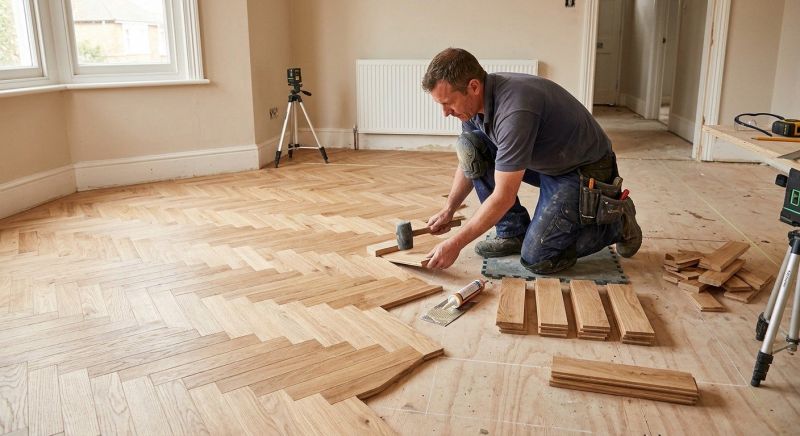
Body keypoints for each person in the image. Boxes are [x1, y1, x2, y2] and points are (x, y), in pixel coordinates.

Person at [421, 47, 642, 273]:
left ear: (474, 87)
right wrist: (449, 209)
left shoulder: (514, 111)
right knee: (472, 146)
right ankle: (512, 231)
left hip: (583, 170)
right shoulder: (473, 106)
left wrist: (455, 244)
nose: (445, 113)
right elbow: (470, 161)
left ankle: (618, 223)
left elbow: (503, 197)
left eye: (448, 103)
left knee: (538, 258)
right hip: (549, 159)